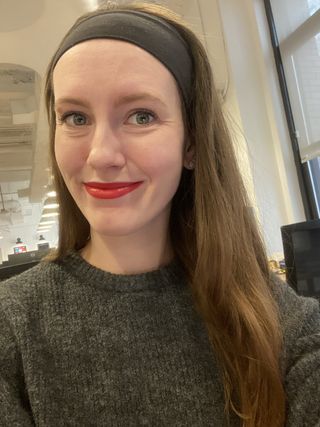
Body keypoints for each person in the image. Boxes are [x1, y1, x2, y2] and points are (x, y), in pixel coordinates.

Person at [0, 2, 319, 426]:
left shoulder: (273, 317)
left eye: (141, 115)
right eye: (76, 117)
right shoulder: (12, 327)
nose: (101, 155)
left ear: (191, 143)